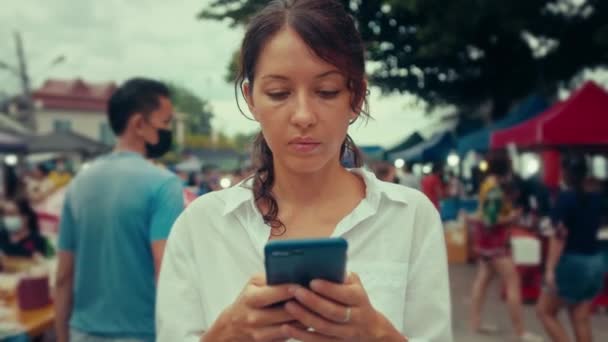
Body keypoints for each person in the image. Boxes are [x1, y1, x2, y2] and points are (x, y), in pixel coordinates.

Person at [156, 1, 452, 341]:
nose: (303, 115)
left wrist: (378, 334)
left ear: (355, 96)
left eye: (326, 91)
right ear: (251, 98)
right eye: (279, 93)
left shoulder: (410, 217)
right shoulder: (200, 226)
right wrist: (227, 333)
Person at [55, 78, 185, 342]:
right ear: (139, 124)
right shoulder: (164, 185)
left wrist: (61, 336)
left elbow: (63, 275)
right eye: (165, 122)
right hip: (143, 333)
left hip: (82, 332)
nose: (168, 131)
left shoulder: (78, 185)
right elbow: (167, 272)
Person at [469, 153, 543, 341]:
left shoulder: (486, 185)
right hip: (496, 243)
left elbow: (482, 215)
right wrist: (512, 217)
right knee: (513, 281)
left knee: (483, 280)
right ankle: (520, 332)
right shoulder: (495, 189)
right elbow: (490, 221)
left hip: (485, 243)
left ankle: (476, 323)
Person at [536, 154, 605, 342]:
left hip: (572, 263)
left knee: (544, 312)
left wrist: (550, 269)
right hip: (595, 262)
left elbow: (559, 236)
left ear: (565, 172)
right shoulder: (597, 197)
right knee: (580, 318)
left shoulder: (565, 198)